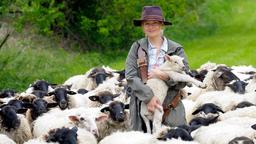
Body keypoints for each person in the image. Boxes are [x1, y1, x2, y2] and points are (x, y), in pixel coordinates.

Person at [125, 6, 189, 132]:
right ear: (142, 26)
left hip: (171, 107)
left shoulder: (176, 49)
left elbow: (185, 77)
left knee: (176, 138)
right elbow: (131, 76)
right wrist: (149, 98)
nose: (150, 26)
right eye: (147, 23)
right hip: (143, 107)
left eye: (155, 23)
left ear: (162, 25)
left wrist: (165, 77)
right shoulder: (136, 48)